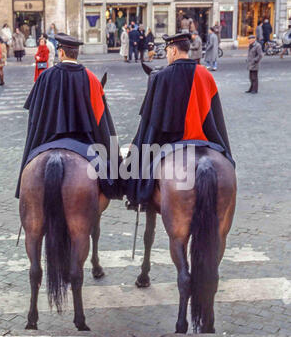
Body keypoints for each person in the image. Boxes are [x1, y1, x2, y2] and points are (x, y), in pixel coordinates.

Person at [125, 33, 234, 207]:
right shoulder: (206, 75)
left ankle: (139, 198)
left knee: (142, 163)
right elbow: (216, 117)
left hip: (173, 141)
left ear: (174, 50)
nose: (167, 55)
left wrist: (136, 146)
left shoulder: (161, 76)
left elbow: (151, 121)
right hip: (204, 139)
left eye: (167, 51)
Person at [16, 32, 122, 200]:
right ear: (76, 53)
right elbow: (102, 119)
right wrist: (113, 158)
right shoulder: (91, 78)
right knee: (107, 178)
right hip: (83, 140)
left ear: (61, 52)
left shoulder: (45, 77)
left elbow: (34, 116)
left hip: (48, 139)